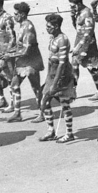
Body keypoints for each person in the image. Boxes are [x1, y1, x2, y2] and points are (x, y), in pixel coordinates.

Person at [1, 2, 44, 123]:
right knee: (14, 85)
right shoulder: (22, 26)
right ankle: (17, 113)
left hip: (31, 61)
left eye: (16, 14)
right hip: (21, 62)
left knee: (36, 88)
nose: (14, 16)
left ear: (22, 14)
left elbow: (26, 50)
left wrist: (10, 55)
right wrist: (7, 52)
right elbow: (20, 47)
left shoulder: (28, 28)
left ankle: (42, 112)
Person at [39, 13, 76, 143]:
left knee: (64, 104)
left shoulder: (62, 40)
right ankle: (50, 131)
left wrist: (55, 84)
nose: (46, 28)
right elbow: (50, 58)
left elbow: (62, 63)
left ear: (56, 26)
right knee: (45, 100)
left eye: (49, 26)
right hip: (52, 73)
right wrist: (48, 78)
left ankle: (69, 133)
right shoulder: (52, 37)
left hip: (62, 75)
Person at [69, 0, 98, 100]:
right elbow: (76, 27)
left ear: (79, 4)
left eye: (73, 6)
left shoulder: (87, 14)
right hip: (79, 40)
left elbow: (89, 32)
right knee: (74, 65)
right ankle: (73, 89)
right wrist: (72, 15)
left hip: (88, 43)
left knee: (91, 68)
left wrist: (78, 47)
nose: (71, 8)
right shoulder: (77, 12)